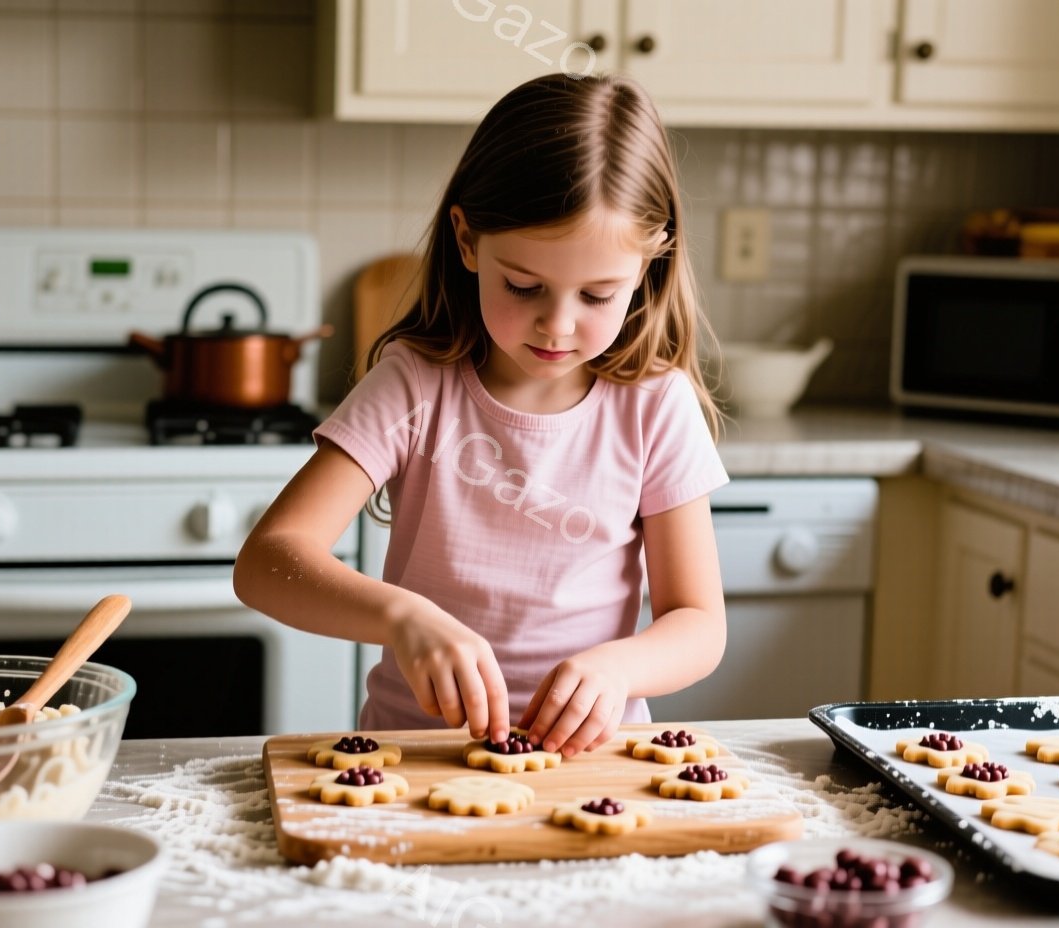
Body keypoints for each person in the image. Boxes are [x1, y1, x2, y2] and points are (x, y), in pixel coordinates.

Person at [234, 72, 727, 757]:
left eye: (597, 295)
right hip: (413, 760)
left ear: (650, 261)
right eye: (523, 286)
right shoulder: (414, 387)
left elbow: (698, 623)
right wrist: (402, 617)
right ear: (467, 241)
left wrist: (620, 669)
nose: (558, 324)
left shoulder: (655, 406)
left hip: (593, 764)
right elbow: (267, 561)